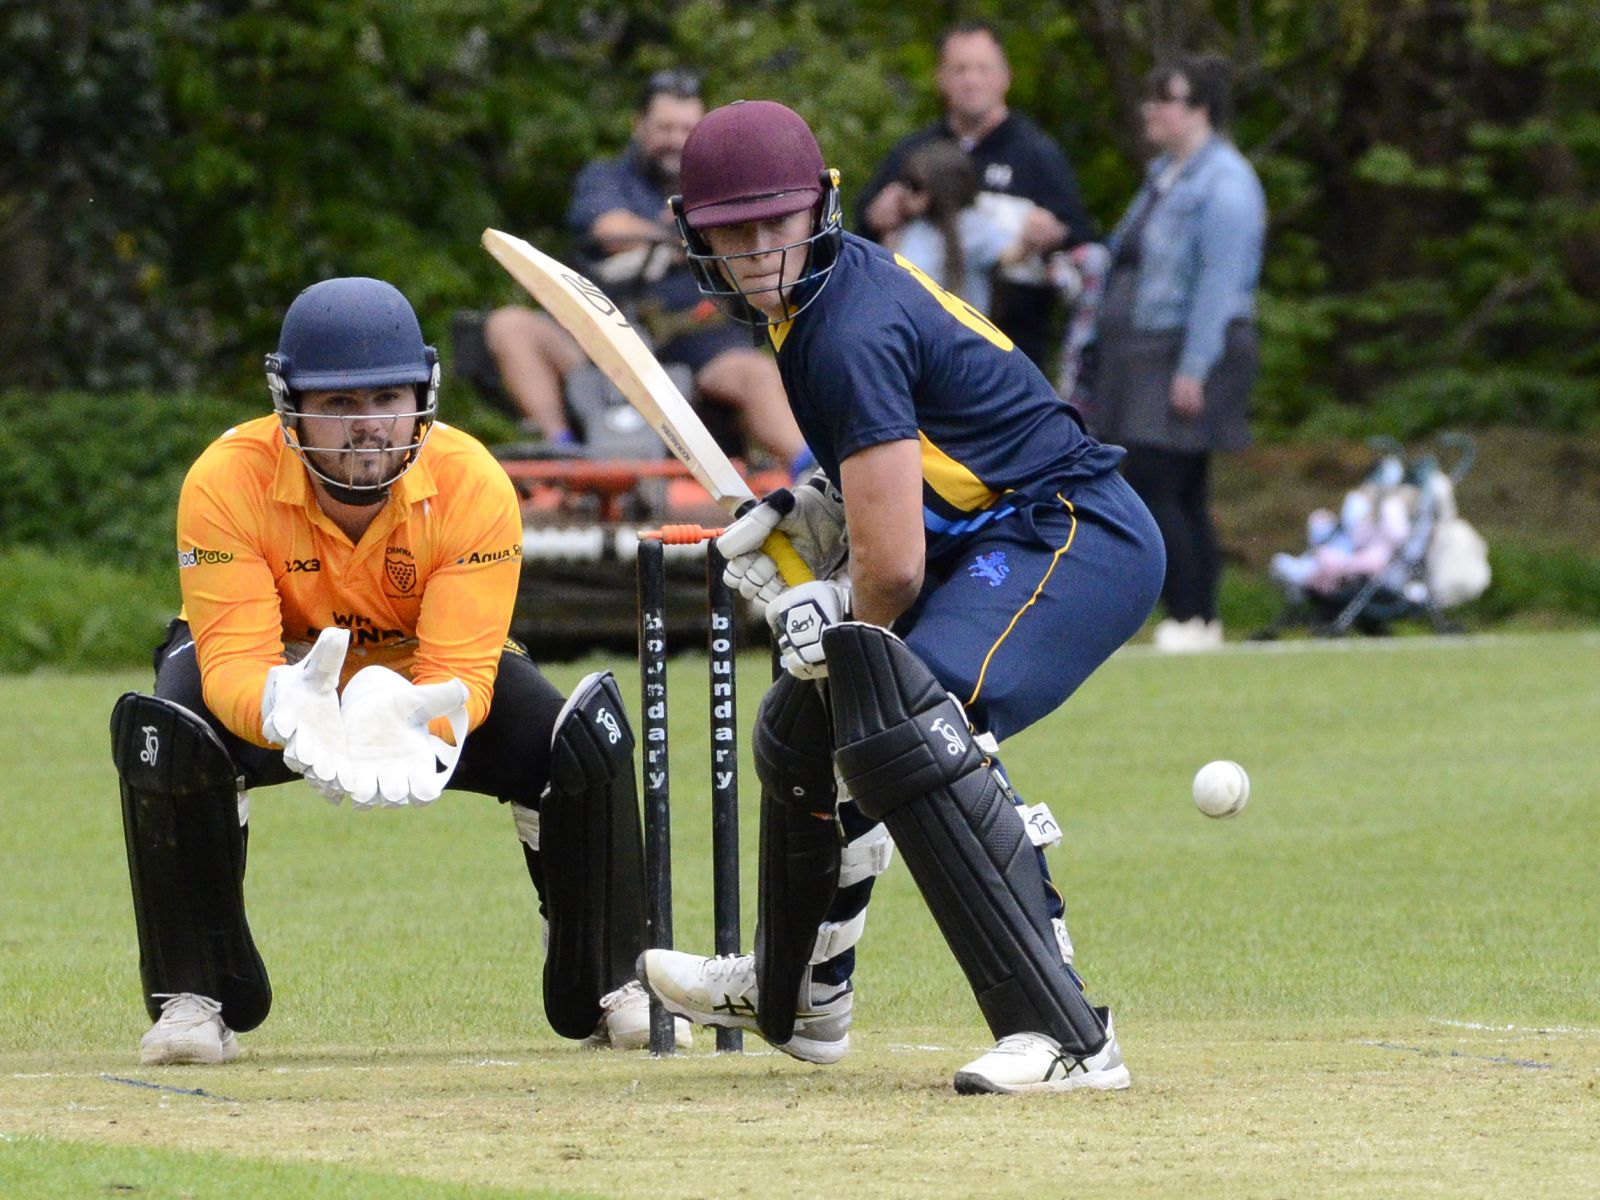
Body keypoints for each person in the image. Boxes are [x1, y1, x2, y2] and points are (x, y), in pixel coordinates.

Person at [635, 101, 1165, 1096]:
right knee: (798, 733)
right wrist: (811, 516)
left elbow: (895, 570)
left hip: (1068, 532)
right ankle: (796, 996)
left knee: (911, 722)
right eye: (731, 231)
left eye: (774, 223)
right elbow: (917, 460)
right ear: (692, 229)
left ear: (820, 205)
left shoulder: (839, 331)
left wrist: (837, 616)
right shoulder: (817, 306)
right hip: (991, 530)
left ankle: (1063, 1031)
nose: (757, 252)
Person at [110, 276, 686, 1065]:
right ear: (289, 402)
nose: (367, 426)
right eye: (338, 405)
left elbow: (462, 669)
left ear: (424, 392)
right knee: (165, 733)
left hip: (418, 676)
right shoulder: (224, 478)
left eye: (387, 397)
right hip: (282, 668)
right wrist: (281, 707)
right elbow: (234, 659)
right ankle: (193, 995)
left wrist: (423, 721)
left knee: (580, 739)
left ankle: (615, 981)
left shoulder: (472, 482)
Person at [483, 70, 807, 472]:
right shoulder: (605, 178)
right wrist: (676, 232)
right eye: (665, 127)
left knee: (756, 373)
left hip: (699, 342)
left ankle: (813, 472)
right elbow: (607, 230)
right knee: (509, 325)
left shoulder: (722, 182)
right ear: (639, 126)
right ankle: (560, 448)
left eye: (687, 128)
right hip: (602, 340)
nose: (676, 139)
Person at [1087, 53, 1266, 652]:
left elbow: (1219, 282)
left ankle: (1190, 614)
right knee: (1182, 488)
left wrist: (1195, 366)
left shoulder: (1226, 184)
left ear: (1201, 110)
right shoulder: (1165, 175)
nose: (1151, 110)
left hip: (1184, 353)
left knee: (1158, 482)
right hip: (1144, 352)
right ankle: (1199, 615)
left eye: (1168, 99)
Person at [855, 21, 1098, 367]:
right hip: (916, 347)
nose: (972, 80)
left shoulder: (1036, 154)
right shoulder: (916, 152)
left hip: (1014, 350)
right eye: (960, 69)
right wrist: (876, 214)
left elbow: (1081, 236)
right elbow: (860, 231)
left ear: (1005, 77)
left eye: (983, 69)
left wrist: (1051, 234)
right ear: (941, 79)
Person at [888, 139, 1025, 315]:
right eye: (904, 181)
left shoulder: (971, 225)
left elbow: (1008, 254)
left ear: (941, 189)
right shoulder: (913, 225)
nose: (906, 191)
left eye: (915, 185)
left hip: (953, 329)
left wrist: (1031, 239)